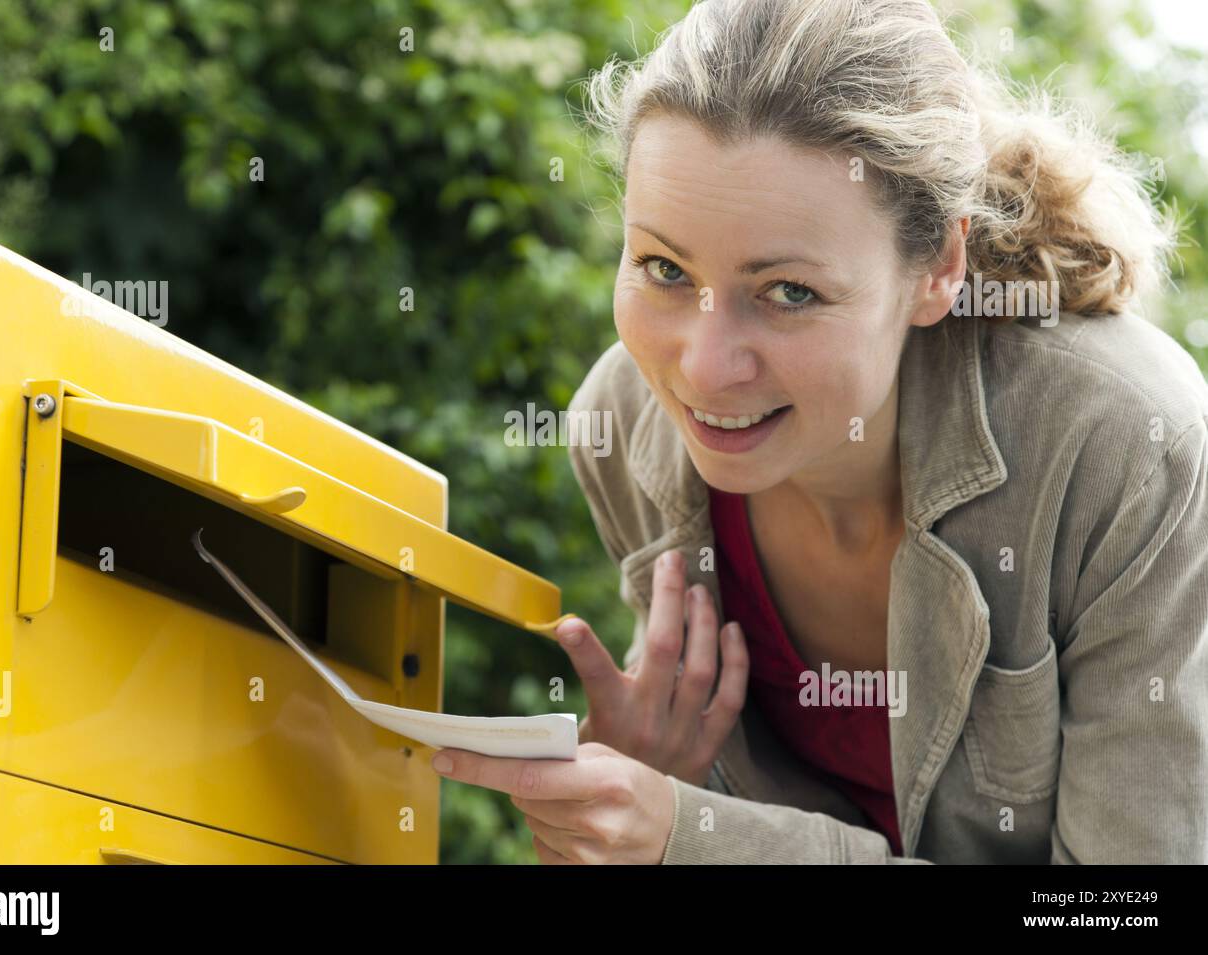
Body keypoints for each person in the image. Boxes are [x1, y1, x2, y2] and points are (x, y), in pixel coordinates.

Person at [431, 0, 1208, 863]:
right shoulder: (624, 427)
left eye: (789, 292)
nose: (702, 369)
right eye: (663, 268)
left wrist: (700, 838)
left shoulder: (1129, 447)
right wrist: (641, 805)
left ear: (940, 269)